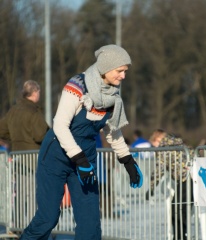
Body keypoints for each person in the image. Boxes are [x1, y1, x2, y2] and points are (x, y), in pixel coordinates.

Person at [19, 44, 143, 240]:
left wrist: (128, 160)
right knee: (47, 218)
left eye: (125, 71)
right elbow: (60, 125)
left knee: (90, 223)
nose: (123, 76)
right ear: (106, 67)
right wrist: (80, 159)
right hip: (55, 157)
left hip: (85, 158)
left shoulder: (113, 97)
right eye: (120, 71)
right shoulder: (77, 86)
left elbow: (113, 132)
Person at [146, 129, 193, 240]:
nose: (155, 149)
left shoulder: (164, 148)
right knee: (182, 210)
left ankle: (179, 236)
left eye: (154, 145)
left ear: (157, 139)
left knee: (176, 211)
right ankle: (181, 235)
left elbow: (159, 170)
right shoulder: (179, 142)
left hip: (185, 179)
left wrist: (151, 187)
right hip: (193, 177)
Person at [0, 80, 49, 151]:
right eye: (39, 92)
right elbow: (40, 136)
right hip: (33, 156)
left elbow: (1, 130)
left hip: (16, 155)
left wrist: (15, 137)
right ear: (35, 93)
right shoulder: (34, 111)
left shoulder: (12, 111)